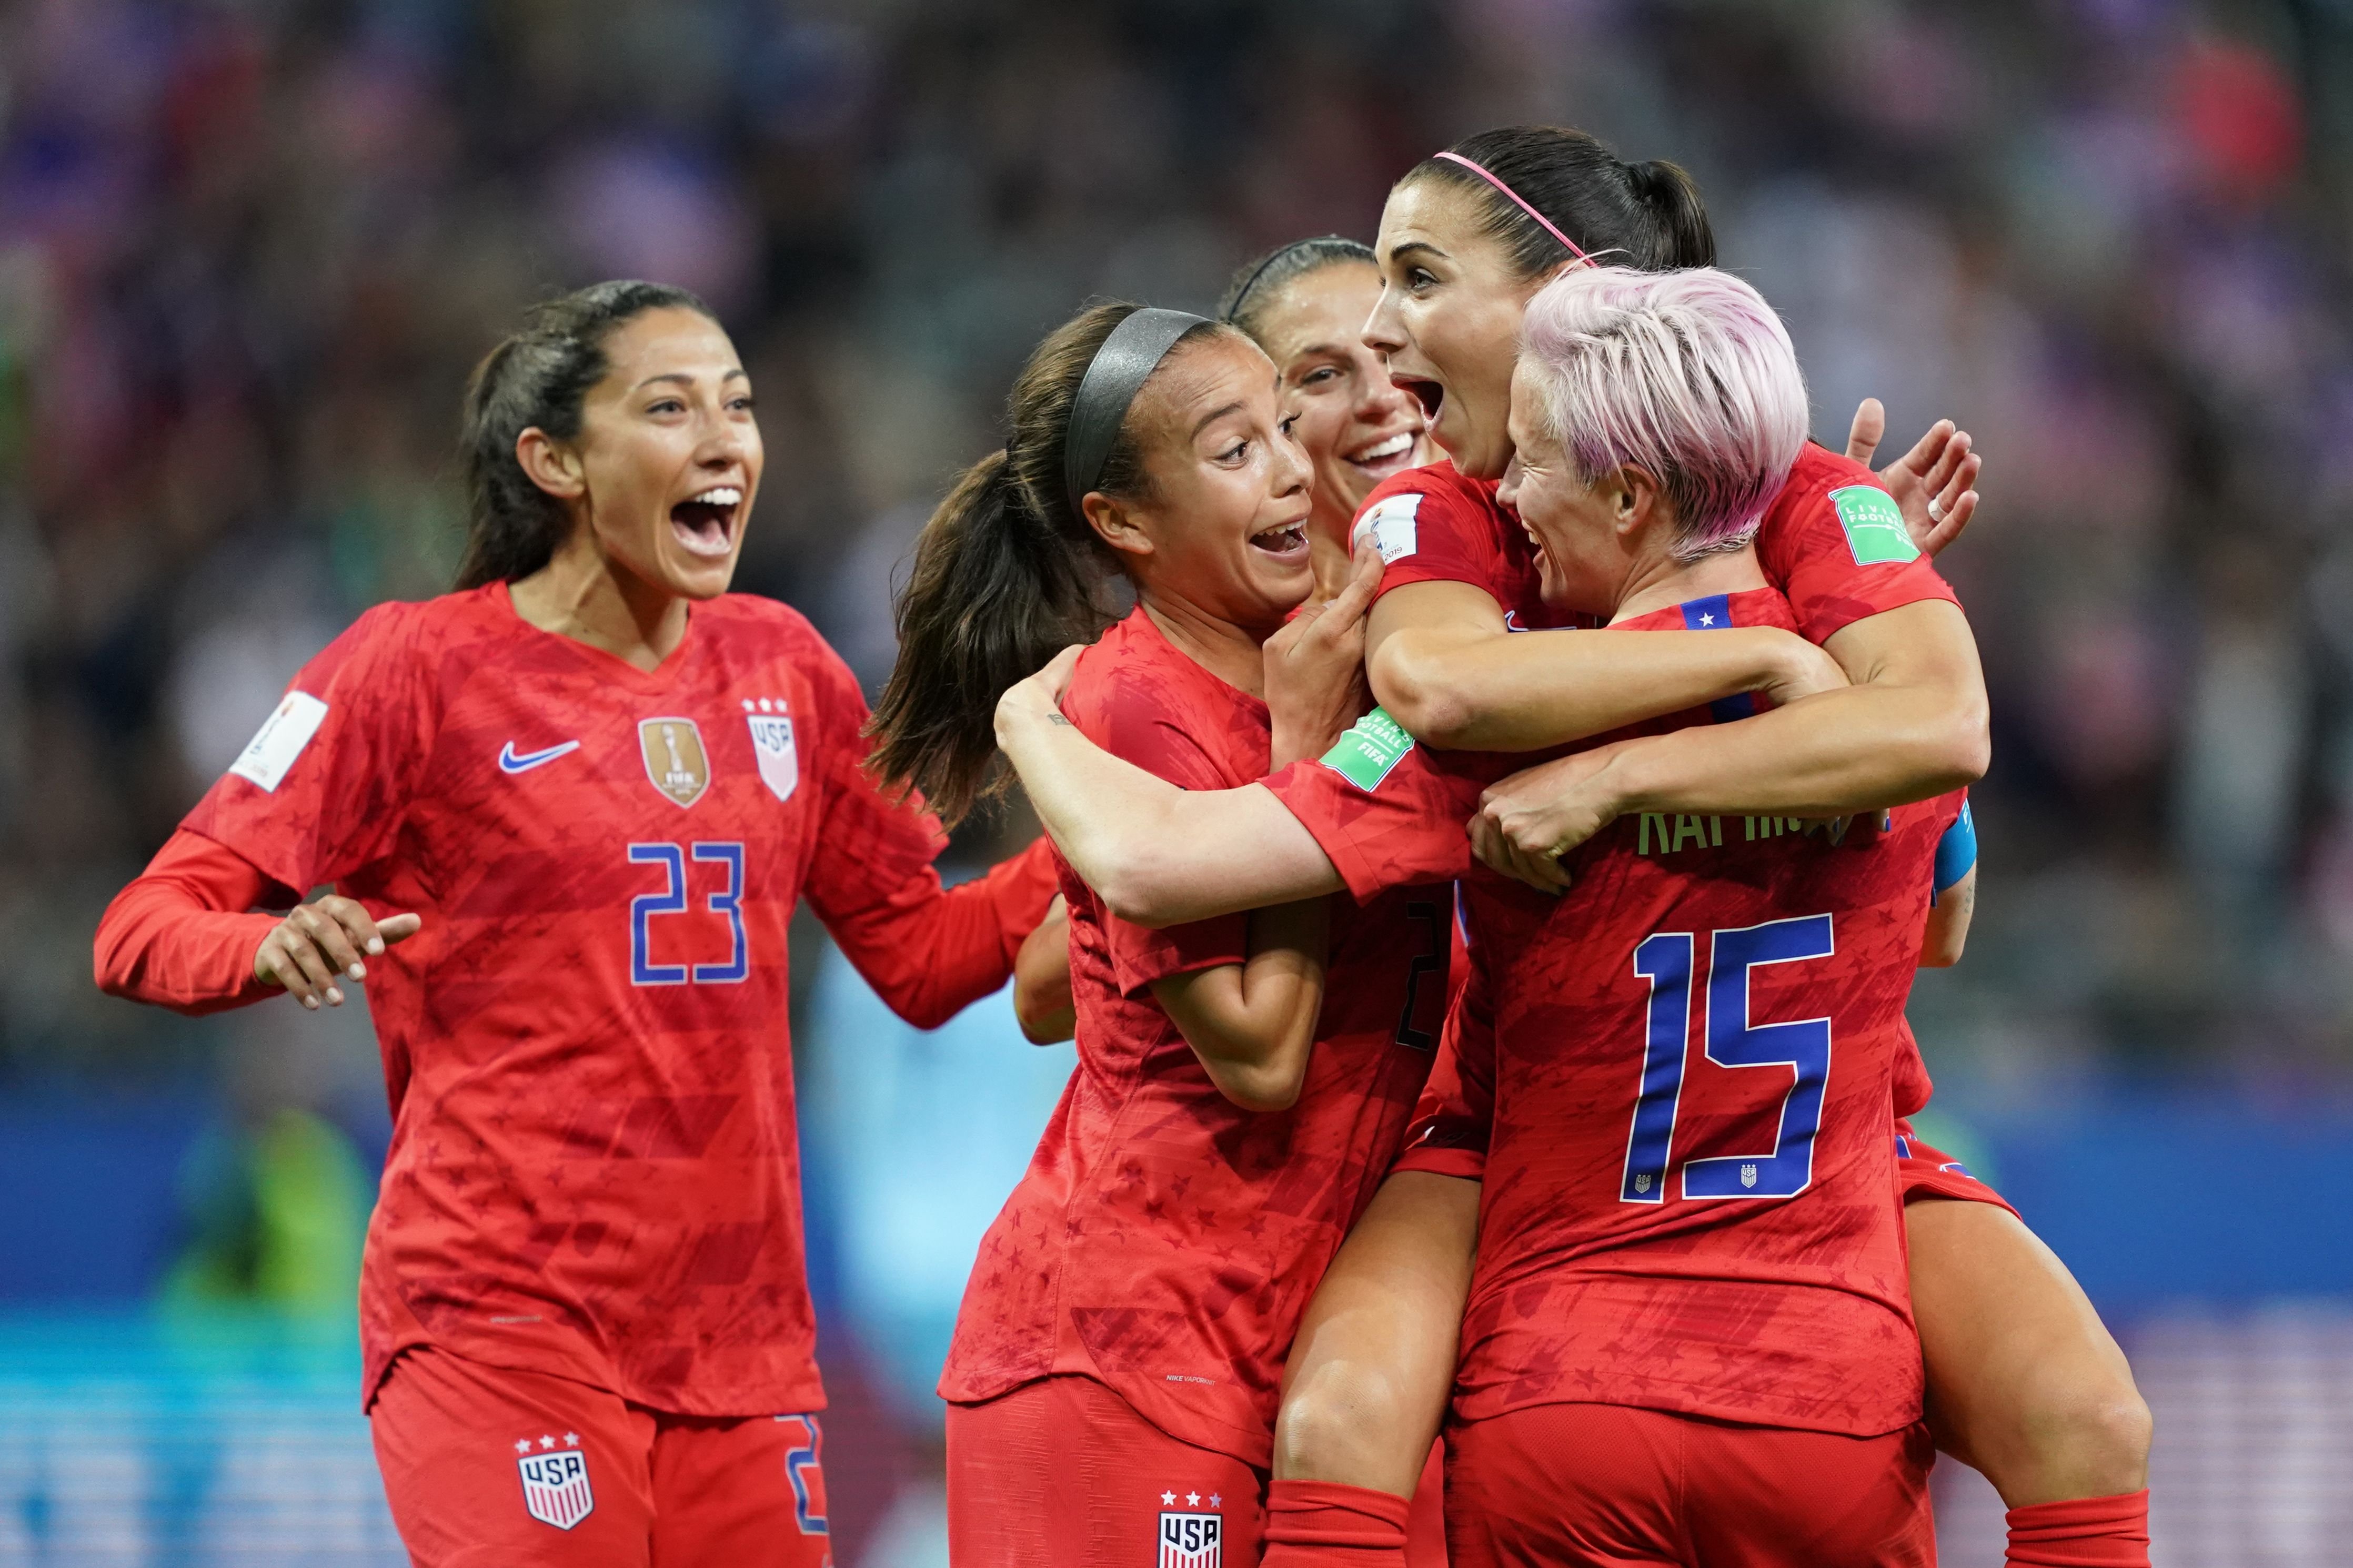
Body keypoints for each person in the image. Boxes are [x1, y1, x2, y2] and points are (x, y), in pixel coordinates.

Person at [1003, 129, 2149, 1568]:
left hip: (1757, 1142)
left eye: (1415, 283)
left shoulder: (1718, 499)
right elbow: (1924, 806)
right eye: (1309, 375)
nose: (1377, 339)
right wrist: (1786, 667)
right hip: (1599, 1130)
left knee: (2083, 1415)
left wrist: (1610, 773)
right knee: (1355, 1413)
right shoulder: (1546, 522)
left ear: (1576, 299)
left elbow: (1940, 731)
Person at [92, 280, 1060, 1567]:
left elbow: (928, 959)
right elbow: (141, 926)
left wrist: (1121, 824)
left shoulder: (784, 669)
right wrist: (263, 944)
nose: (727, 442)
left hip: (743, 1353)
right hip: (501, 1323)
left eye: (740, 407)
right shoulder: (413, 671)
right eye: (670, 408)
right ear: (552, 460)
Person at [864, 300, 1442, 1568]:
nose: (1290, 467)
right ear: (1123, 525)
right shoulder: (1135, 702)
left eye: (1286, 429)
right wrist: (1308, 765)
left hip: (1263, 1340)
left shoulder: (1329, 654)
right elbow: (1256, 1053)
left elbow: (1041, 985)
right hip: (1120, 1350)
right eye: (1235, 451)